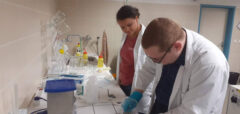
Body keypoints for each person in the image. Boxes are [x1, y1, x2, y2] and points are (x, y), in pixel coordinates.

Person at [121, 17, 229, 114]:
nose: (154, 62)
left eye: (156, 59)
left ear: (177, 47)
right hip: (160, 106)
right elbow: (148, 68)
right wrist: (137, 93)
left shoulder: (209, 64)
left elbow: (192, 111)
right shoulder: (165, 43)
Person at [116, 5, 152, 113]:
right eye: (122, 27)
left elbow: (150, 68)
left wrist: (139, 92)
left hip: (137, 87)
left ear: (136, 18)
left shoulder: (147, 37)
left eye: (129, 25)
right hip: (123, 84)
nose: (126, 29)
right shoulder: (126, 35)